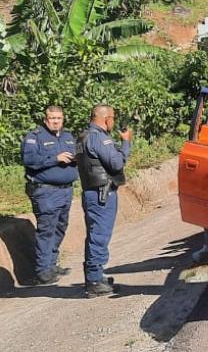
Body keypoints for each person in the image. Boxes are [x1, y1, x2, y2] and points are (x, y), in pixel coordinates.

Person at [76, 104, 133, 298]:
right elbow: (116, 163)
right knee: (99, 235)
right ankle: (93, 280)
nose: (114, 122)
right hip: (102, 194)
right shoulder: (99, 138)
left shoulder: (84, 136)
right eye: (113, 118)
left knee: (96, 234)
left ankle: (96, 276)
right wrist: (125, 143)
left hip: (93, 193)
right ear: (106, 118)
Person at [20, 105, 77, 286]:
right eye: (52, 118)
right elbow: (29, 160)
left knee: (60, 227)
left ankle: (51, 264)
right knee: (47, 229)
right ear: (45, 120)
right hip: (46, 191)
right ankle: (43, 271)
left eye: (59, 118)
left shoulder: (68, 137)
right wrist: (55, 158)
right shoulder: (34, 137)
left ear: (63, 119)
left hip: (66, 190)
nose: (55, 121)